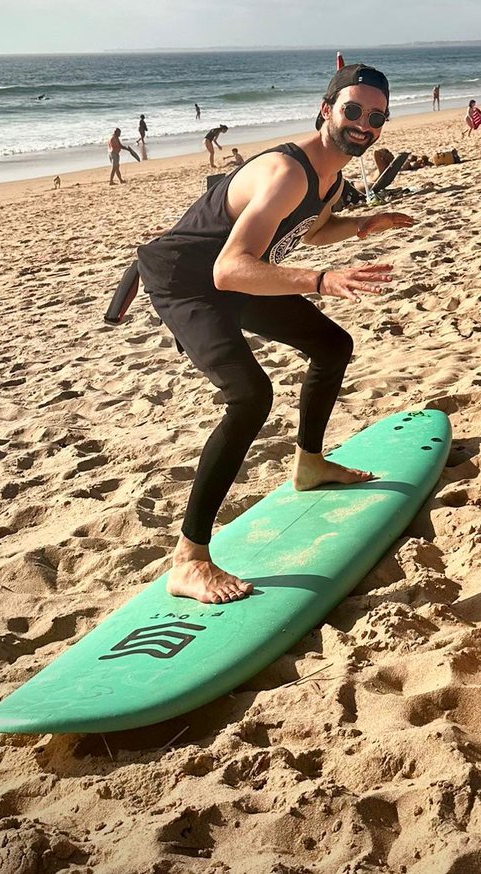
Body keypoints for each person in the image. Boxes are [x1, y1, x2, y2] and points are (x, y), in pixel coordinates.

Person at [136, 63, 414, 604]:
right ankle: (188, 559)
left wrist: (358, 226)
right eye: (353, 109)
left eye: (376, 116)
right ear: (326, 108)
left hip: (237, 274)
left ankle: (309, 465)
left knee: (333, 345)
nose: (364, 123)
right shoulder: (289, 172)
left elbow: (308, 232)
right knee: (249, 396)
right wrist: (323, 282)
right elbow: (228, 269)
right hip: (189, 281)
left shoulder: (330, 177)